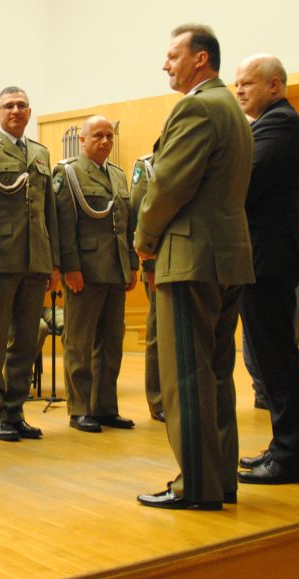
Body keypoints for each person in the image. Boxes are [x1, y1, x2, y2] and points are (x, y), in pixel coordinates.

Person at [134, 24, 254, 512]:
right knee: (216, 374)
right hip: (226, 257)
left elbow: (168, 185)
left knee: (185, 377)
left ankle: (197, 486)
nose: (165, 64)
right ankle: (220, 479)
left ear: (200, 59)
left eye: (173, 55)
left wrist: (144, 240)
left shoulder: (197, 107)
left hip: (189, 258)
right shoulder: (233, 109)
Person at [232, 54, 299, 485]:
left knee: (277, 358)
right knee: (269, 357)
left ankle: (290, 458)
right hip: (263, 252)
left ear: (275, 85)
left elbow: (243, 183)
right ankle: (283, 447)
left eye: (247, 83)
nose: (239, 90)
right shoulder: (268, 122)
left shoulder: (279, 123)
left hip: (270, 253)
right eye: (237, 84)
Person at [0, 86, 60, 441]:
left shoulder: (40, 153)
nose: (15, 110)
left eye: (22, 105)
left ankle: (15, 410)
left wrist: (54, 262)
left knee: (26, 340)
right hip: (0, 260)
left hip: (35, 259)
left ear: (29, 112)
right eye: (8, 105)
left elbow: (49, 212)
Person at [53, 115, 137, 434]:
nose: (105, 141)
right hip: (85, 271)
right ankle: (79, 408)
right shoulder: (68, 173)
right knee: (80, 342)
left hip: (115, 269)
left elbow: (126, 224)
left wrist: (131, 264)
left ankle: (105, 407)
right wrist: (70, 267)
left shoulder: (117, 174)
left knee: (111, 343)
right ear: (83, 140)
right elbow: (64, 225)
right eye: (98, 136)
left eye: (109, 136)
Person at [129, 154, 164, 422]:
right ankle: (158, 400)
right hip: (157, 262)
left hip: (190, 259)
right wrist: (148, 265)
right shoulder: (147, 165)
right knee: (158, 334)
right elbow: (139, 215)